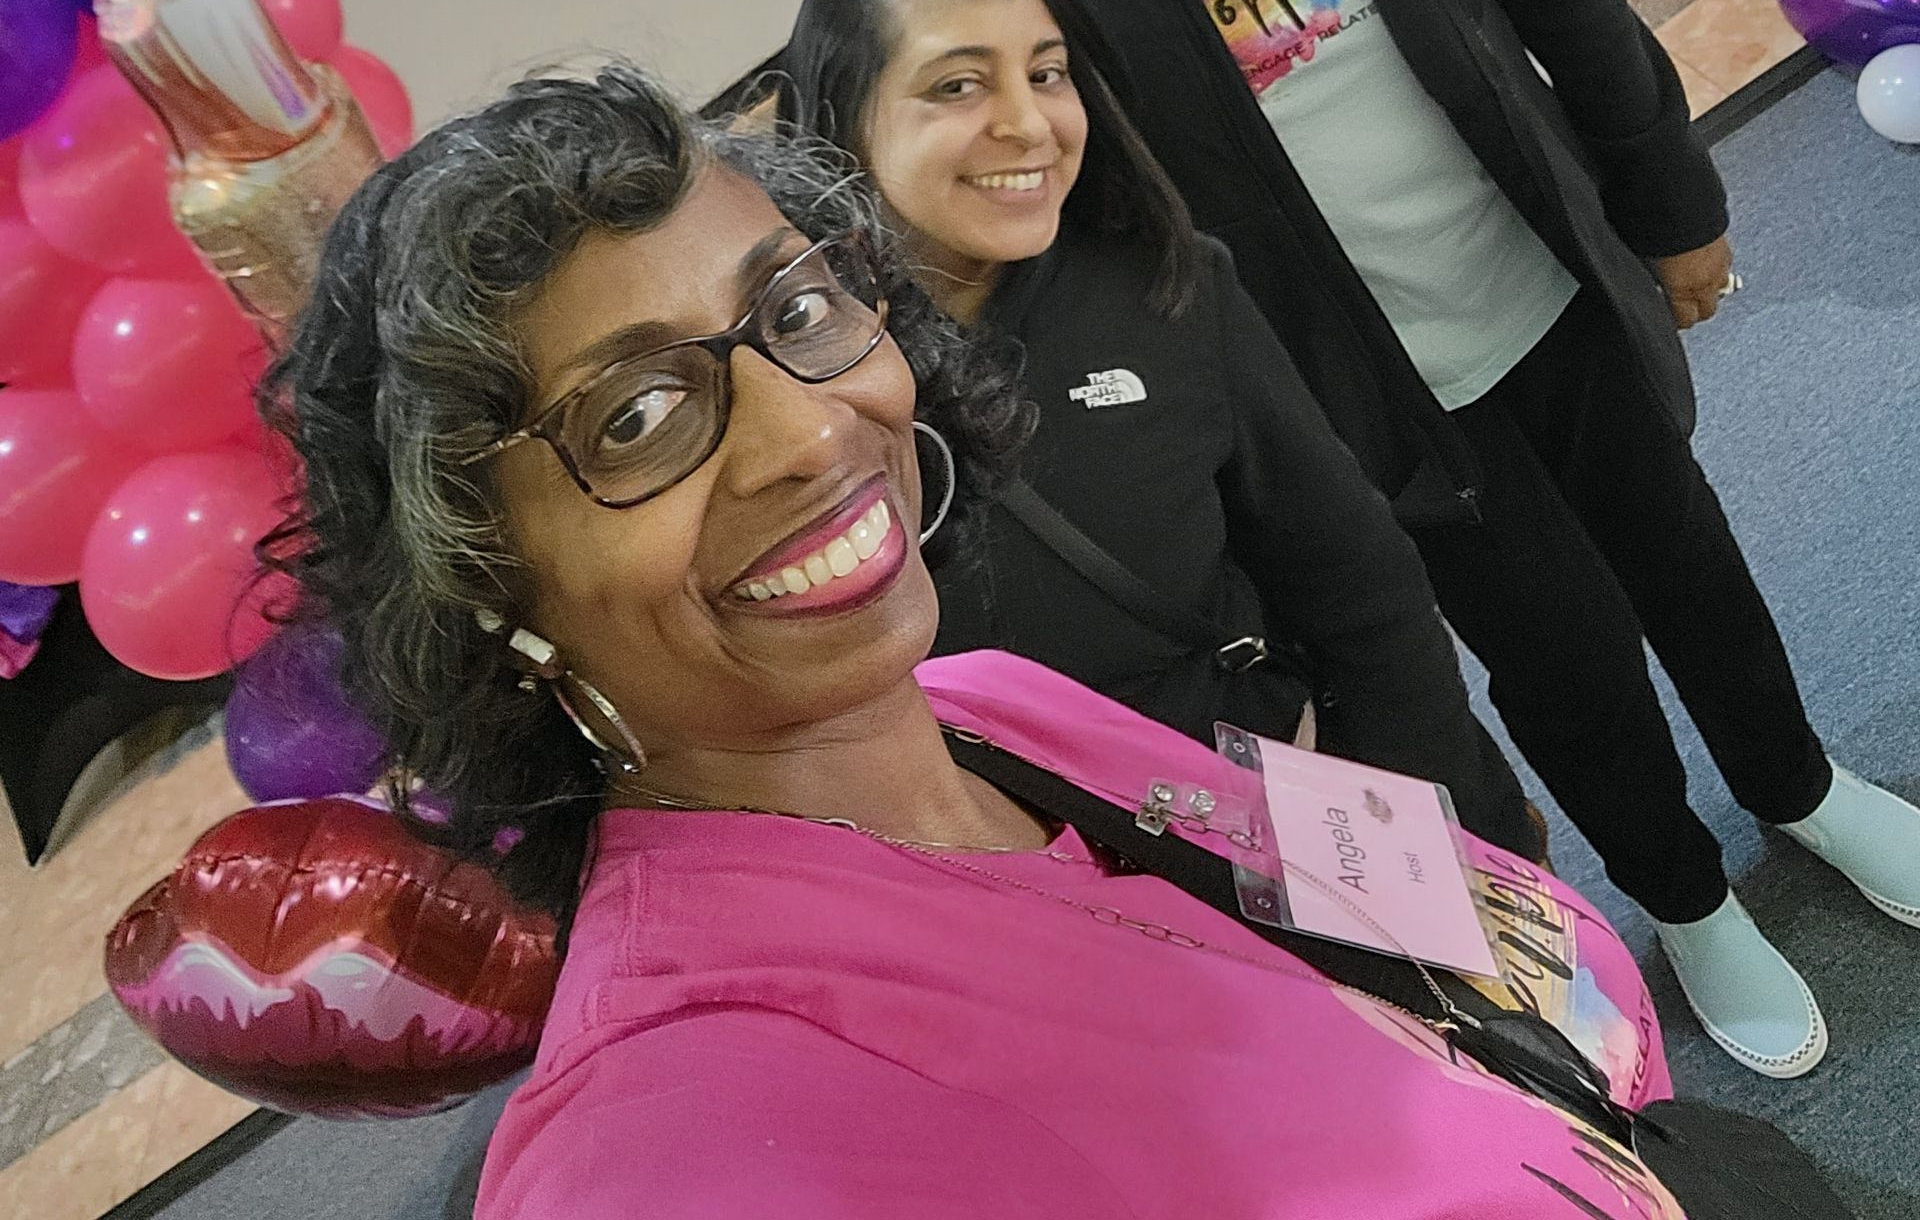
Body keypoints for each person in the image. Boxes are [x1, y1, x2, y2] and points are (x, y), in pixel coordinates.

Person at [892, 0, 1920, 1079]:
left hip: (1539, 266)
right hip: (1345, 382)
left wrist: (1665, 195)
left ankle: (1802, 787)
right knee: (1559, 652)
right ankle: (1680, 894)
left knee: (1690, 557)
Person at [267, 64, 1687, 1220]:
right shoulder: (672, 1145)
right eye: (632, 417)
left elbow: (1432, 919)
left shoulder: (988, 706)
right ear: (486, 590)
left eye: (796, 310)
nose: (811, 429)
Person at [780, 0, 1533, 852]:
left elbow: (1362, 587)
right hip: (1045, 920)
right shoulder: (791, 396)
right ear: (844, 117)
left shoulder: (1170, 291)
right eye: (959, 84)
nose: (1028, 122)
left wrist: (1472, 841)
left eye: (1047, 73)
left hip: (1275, 840)